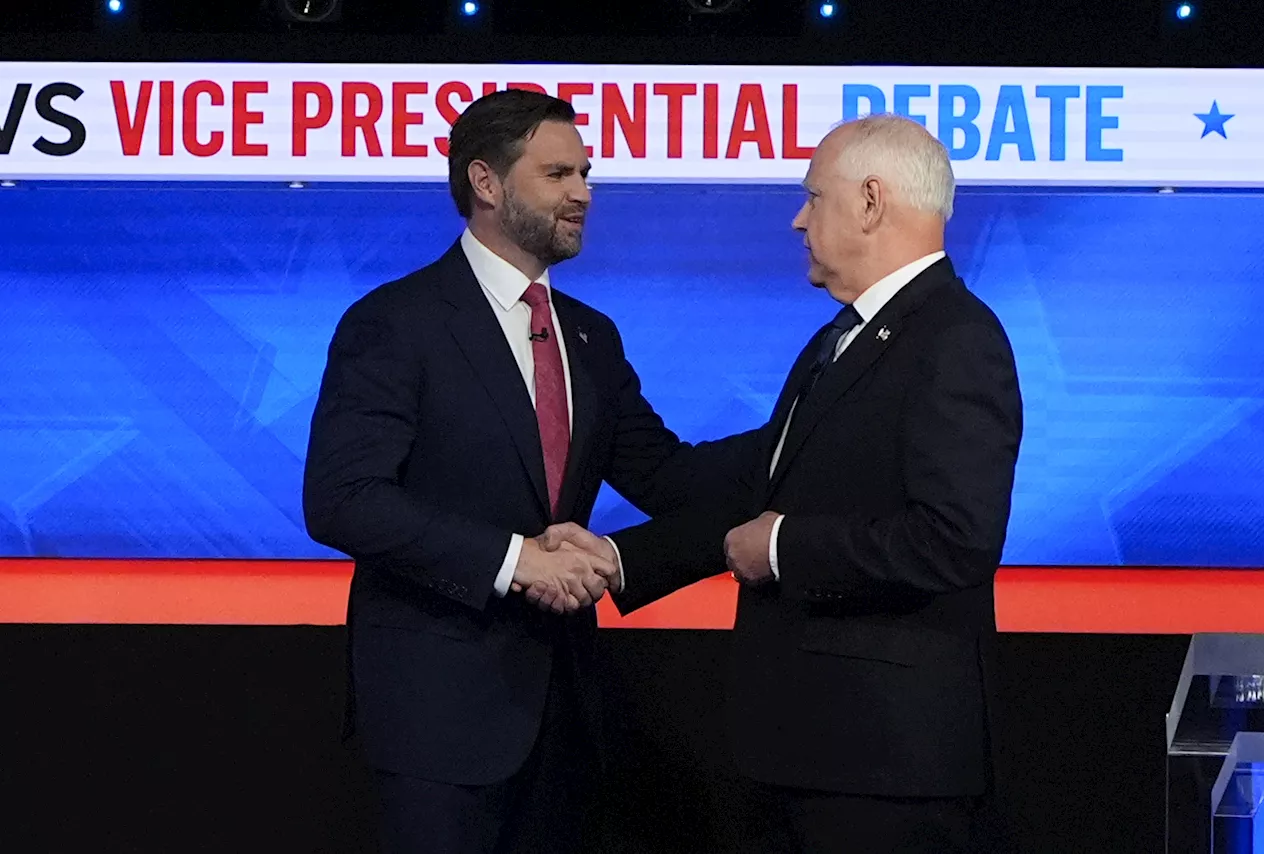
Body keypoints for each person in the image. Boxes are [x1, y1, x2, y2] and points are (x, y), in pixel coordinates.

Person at [537, 113, 1024, 853]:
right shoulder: (840, 338)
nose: (799, 220)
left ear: (869, 201)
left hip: (888, 766)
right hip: (817, 752)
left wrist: (787, 549)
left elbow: (954, 542)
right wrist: (620, 560)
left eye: (813, 197)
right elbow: (755, 486)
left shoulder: (955, 340)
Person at [302, 88, 722, 854]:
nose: (584, 194)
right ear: (486, 183)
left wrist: (803, 429)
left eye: (586, 173)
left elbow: (671, 480)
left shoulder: (591, 337)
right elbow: (343, 499)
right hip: (436, 721)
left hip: (567, 714)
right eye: (559, 174)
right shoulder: (396, 323)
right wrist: (514, 561)